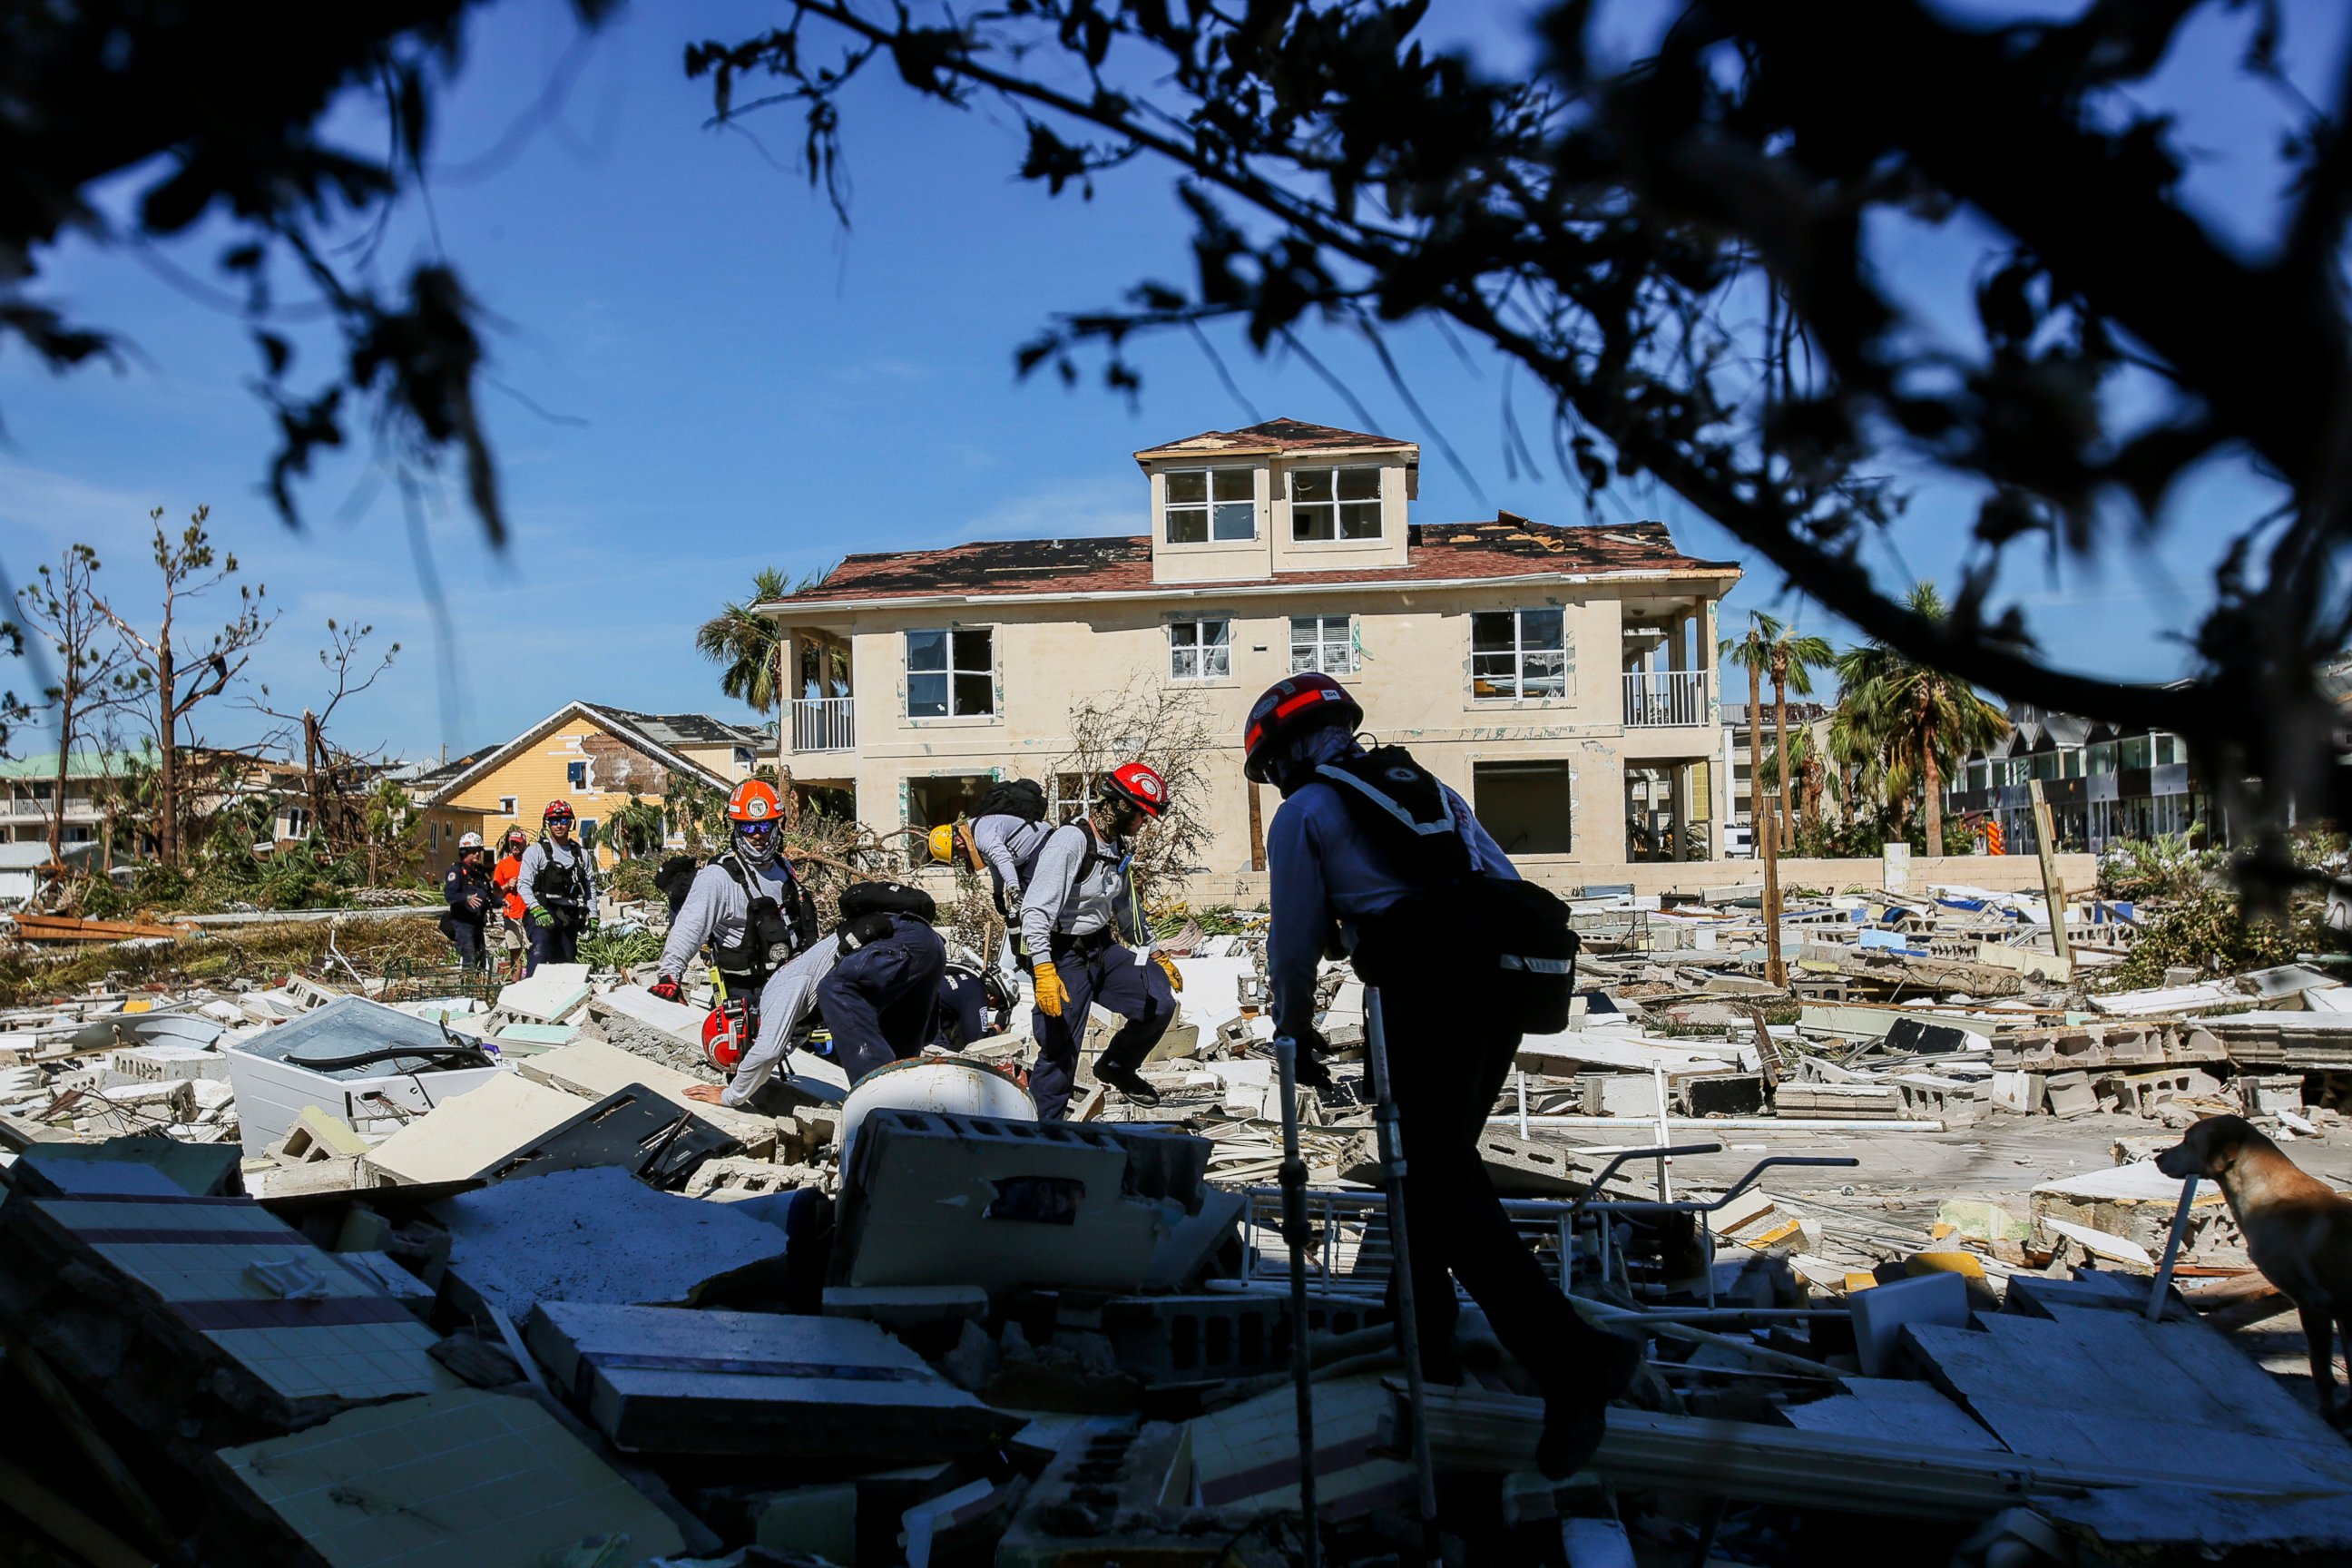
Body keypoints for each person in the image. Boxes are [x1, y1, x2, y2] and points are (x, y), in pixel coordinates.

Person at [1244, 671, 1638, 1481]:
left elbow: (1294, 940)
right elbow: (1497, 877)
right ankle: (1422, 1337)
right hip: (1496, 989)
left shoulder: (1305, 813)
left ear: (1282, 754)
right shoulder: (1431, 791)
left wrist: (1293, 1024)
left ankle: (1573, 1359)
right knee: (1431, 1171)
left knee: (1436, 1179)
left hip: (1421, 992)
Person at [685, 881, 947, 1108]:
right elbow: (777, 1050)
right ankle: (910, 1110)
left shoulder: (773, 997)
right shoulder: (788, 1012)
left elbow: (767, 1051)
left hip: (901, 940)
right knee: (898, 1055)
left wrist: (732, 1096)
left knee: (837, 990)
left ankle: (879, 1103)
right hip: (927, 947)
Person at [1019, 761, 1183, 1119]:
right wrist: (1044, 968)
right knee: (1060, 1047)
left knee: (1158, 1001)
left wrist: (1155, 952)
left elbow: (1126, 909)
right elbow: (1035, 911)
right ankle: (1041, 1131)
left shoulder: (1117, 848)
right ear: (1122, 805)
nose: (1143, 825)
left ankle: (1117, 1066)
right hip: (1062, 956)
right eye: (1141, 815)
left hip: (1102, 948)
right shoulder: (1070, 842)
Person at [649, 781, 815, 1056]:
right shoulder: (718, 878)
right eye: (748, 827)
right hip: (746, 993)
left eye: (764, 826)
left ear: (776, 826)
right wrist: (670, 975)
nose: (757, 835)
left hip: (791, 985)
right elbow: (689, 928)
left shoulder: (784, 869)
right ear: (736, 829)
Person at [517, 799, 598, 975]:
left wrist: (593, 917)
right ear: (548, 823)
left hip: (568, 915)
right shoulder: (536, 851)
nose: (559, 825)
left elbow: (590, 888)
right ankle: (531, 989)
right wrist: (536, 909)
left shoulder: (582, 855)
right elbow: (523, 884)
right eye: (554, 821)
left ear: (571, 823)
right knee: (540, 947)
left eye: (563, 821)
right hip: (542, 911)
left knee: (566, 960)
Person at [438, 832, 496, 971]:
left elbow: (489, 894)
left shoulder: (479, 873)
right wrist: (466, 898)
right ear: (465, 852)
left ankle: (479, 985)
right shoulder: (457, 871)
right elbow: (450, 895)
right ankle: (468, 986)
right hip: (463, 923)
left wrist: (501, 901)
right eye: (474, 851)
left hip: (478, 922)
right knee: (468, 953)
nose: (477, 854)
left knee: (480, 954)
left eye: (478, 851)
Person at [491, 825, 531, 979]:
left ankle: (534, 984)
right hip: (511, 916)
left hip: (529, 914)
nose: (515, 846)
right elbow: (496, 892)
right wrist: (507, 885)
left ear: (524, 845)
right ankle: (515, 984)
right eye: (512, 843)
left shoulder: (530, 862)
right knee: (515, 953)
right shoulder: (503, 865)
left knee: (532, 951)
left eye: (518, 843)